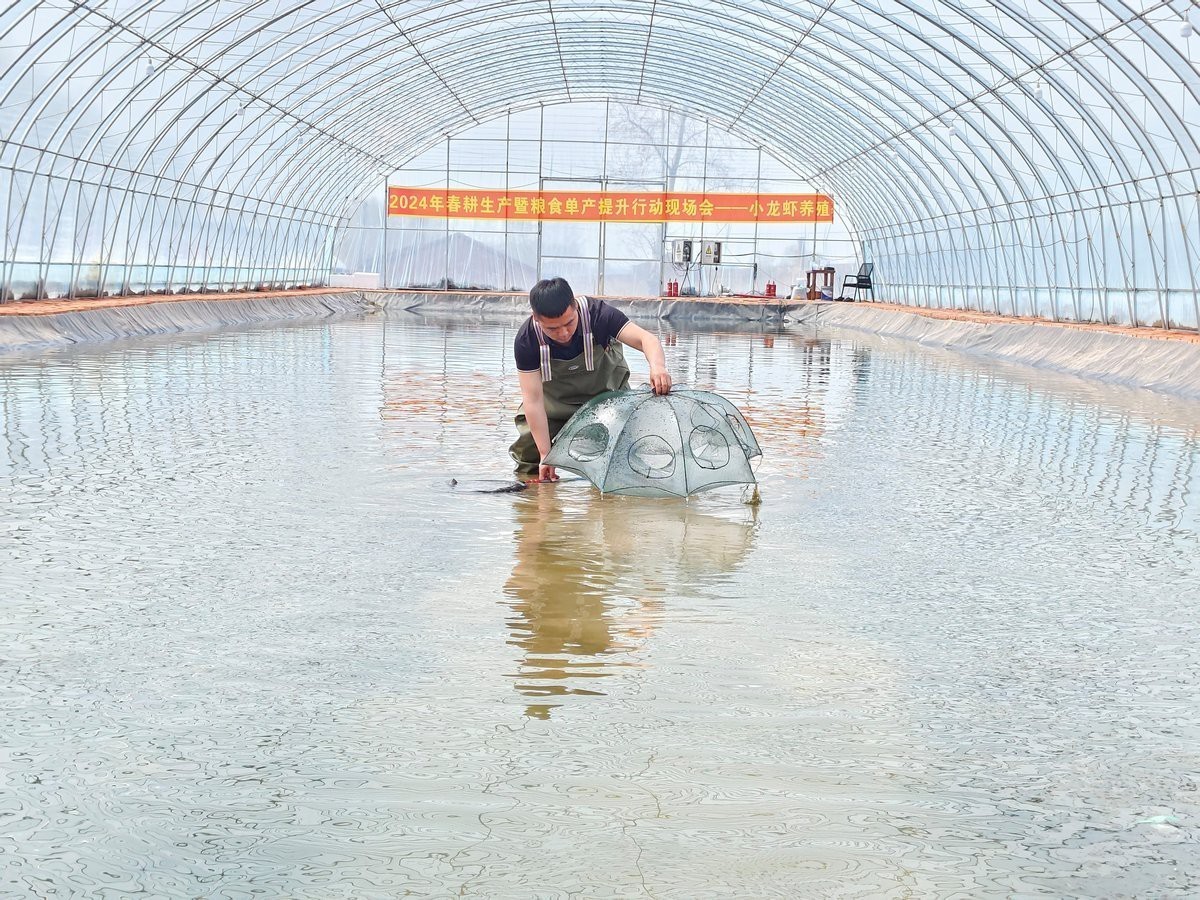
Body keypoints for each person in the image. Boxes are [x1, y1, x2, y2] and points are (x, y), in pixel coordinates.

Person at [510, 277, 671, 482]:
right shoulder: (527, 340)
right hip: (555, 408)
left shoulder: (599, 315)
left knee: (618, 459)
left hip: (608, 401)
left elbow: (646, 339)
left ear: (575, 306)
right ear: (536, 319)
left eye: (569, 323)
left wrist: (657, 367)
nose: (563, 333)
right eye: (552, 329)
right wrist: (545, 454)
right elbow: (532, 400)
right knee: (530, 456)